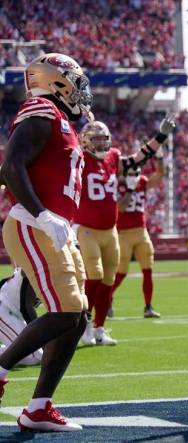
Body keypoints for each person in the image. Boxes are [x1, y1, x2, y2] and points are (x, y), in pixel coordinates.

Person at [0, 53, 93, 432]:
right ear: (56, 80)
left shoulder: (62, 122)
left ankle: (38, 408)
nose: (80, 90)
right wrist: (41, 213)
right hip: (35, 223)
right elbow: (11, 165)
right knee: (67, 309)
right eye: (74, 80)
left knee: (77, 316)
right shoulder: (41, 108)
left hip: (54, 226)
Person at [75, 116, 175, 345]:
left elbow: (138, 159)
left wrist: (160, 136)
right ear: (85, 141)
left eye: (103, 140)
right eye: (95, 140)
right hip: (87, 228)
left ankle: (100, 328)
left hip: (110, 230)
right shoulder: (79, 159)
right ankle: (84, 325)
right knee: (95, 276)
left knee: (109, 280)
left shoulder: (113, 157)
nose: (100, 144)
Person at [111, 160, 165, 319]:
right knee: (121, 273)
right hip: (123, 234)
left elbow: (160, 175)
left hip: (142, 233)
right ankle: (108, 298)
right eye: (131, 174)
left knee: (148, 271)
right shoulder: (116, 185)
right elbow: (121, 208)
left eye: (136, 173)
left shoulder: (142, 182)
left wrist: (159, 159)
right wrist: (129, 189)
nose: (135, 176)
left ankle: (148, 307)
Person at [0, 268, 43, 366]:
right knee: (33, 357)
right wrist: (39, 334)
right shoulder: (37, 271)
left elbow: (5, 282)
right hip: (4, 312)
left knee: (35, 354)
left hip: (12, 313)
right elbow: (26, 308)